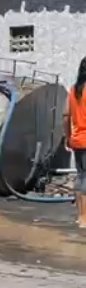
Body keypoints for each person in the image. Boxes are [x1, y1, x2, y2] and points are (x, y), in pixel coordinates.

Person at [64, 57, 86, 228]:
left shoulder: (73, 91)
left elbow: (66, 116)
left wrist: (68, 137)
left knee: (80, 177)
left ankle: (80, 216)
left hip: (78, 140)